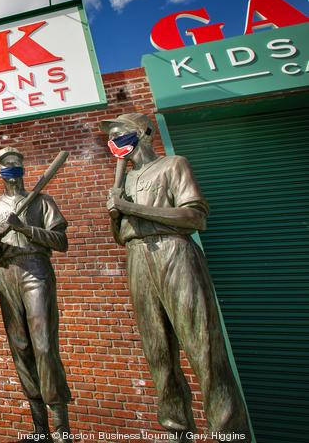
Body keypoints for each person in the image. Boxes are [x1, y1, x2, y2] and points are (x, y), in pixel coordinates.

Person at [101, 113, 250, 441]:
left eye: (119, 133)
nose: (113, 141)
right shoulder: (123, 181)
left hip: (175, 252)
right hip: (137, 258)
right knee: (157, 352)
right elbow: (121, 234)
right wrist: (117, 213)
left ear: (142, 132)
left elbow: (194, 216)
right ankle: (176, 430)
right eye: (110, 137)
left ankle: (229, 432)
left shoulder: (173, 165)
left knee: (203, 348)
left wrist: (132, 208)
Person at [0, 147, 72, 441]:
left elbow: (61, 242)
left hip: (36, 269)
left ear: (23, 168)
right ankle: (40, 428)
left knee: (43, 345)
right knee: (20, 347)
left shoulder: (43, 201)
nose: (12, 170)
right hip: (6, 272)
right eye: (6, 166)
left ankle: (61, 427)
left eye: (17, 165)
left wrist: (26, 229)